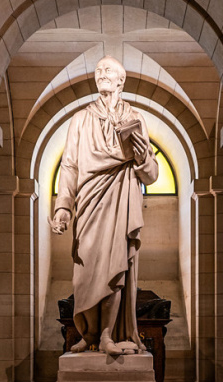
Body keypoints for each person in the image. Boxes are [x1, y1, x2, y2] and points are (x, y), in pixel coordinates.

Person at [51, 55, 159, 356]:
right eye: (98, 70)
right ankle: (88, 333)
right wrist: (63, 206)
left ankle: (109, 335)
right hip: (89, 202)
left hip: (120, 199)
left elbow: (151, 175)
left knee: (116, 269)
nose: (102, 74)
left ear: (121, 80)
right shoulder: (80, 119)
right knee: (85, 271)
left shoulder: (135, 119)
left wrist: (141, 158)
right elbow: (69, 166)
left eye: (108, 70)